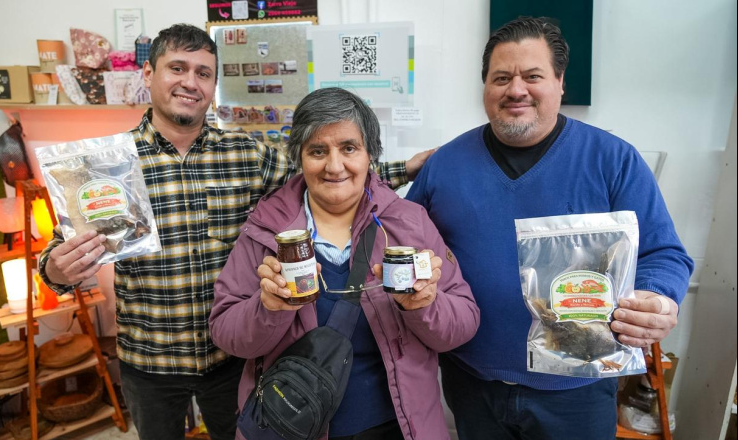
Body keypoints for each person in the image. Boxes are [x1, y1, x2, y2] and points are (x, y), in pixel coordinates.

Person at [37, 24, 433, 440]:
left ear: (212, 85)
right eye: (177, 68)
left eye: (203, 73)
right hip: (149, 362)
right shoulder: (110, 163)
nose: (190, 82)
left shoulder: (245, 154)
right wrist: (59, 271)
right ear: (148, 75)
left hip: (228, 358)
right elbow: (62, 249)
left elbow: (324, 175)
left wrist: (406, 169)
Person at [405, 17, 694, 440]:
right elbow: (406, 247)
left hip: (579, 388)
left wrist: (656, 297)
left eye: (532, 76)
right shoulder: (444, 165)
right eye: (500, 77)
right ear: (485, 87)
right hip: (470, 382)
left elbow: (664, 253)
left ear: (560, 82)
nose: (515, 89)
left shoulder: (613, 160)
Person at [208, 87, 480, 440]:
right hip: (291, 426)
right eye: (318, 151)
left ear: (371, 155)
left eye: (348, 148)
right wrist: (268, 308)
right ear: (300, 158)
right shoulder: (266, 231)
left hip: (401, 427)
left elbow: (464, 323)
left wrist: (426, 305)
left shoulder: (409, 223)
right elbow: (226, 333)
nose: (334, 166)